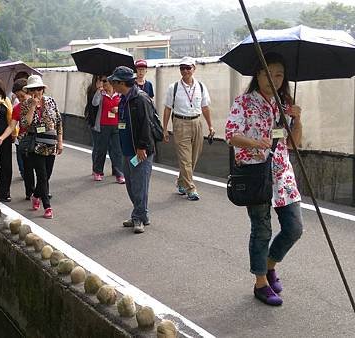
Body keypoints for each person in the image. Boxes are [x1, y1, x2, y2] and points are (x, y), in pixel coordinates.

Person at [225, 52, 303, 306]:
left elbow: (294, 143)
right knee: (261, 229)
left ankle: (269, 265)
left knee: (294, 228)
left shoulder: (284, 105)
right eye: (267, 73)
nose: (273, 78)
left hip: (282, 175)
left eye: (279, 73)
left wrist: (298, 118)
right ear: (257, 75)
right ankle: (260, 283)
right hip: (256, 173)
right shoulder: (244, 102)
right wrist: (254, 141)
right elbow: (230, 134)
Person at [108, 66, 156, 234]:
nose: (112, 84)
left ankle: (138, 217)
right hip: (127, 148)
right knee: (131, 183)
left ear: (121, 82)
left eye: (114, 82)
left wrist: (142, 146)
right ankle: (142, 214)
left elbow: (146, 125)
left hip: (140, 150)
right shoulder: (124, 99)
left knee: (139, 185)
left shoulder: (140, 99)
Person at [162, 56, 214, 201]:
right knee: (185, 159)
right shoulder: (174, 88)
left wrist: (210, 125)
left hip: (197, 122)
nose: (185, 71)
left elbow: (205, 107)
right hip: (180, 123)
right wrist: (165, 128)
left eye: (188, 67)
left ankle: (181, 182)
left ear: (194, 68)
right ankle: (191, 188)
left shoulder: (201, 86)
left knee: (193, 157)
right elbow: (167, 109)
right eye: (182, 68)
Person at [19, 75, 63, 219]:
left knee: (47, 175)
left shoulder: (51, 101)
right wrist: (32, 106)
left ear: (42, 89)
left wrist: (60, 141)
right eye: (32, 89)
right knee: (42, 176)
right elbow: (25, 124)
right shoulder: (26, 104)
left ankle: (36, 195)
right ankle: (47, 206)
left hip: (50, 143)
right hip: (35, 145)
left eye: (38, 89)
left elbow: (58, 122)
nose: (36, 92)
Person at [91, 75, 124, 183]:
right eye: (102, 81)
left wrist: (118, 109)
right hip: (103, 125)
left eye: (105, 81)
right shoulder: (101, 94)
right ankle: (98, 171)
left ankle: (119, 173)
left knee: (117, 150)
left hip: (116, 125)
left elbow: (124, 106)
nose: (104, 83)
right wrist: (98, 91)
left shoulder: (119, 94)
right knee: (102, 149)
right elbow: (94, 103)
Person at [8, 78, 35, 199]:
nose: (20, 99)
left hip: (38, 140)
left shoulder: (40, 104)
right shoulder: (17, 108)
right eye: (18, 97)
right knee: (27, 169)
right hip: (24, 141)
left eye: (22, 96)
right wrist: (3, 137)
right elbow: (12, 126)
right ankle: (30, 192)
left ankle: (41, 190)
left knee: (41, 169)